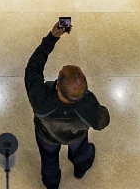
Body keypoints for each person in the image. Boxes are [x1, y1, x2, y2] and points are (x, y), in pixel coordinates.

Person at [25, 20, 110, 189]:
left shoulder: (40, 97)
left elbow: (33, 67)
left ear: (56, 85)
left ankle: (51, 183)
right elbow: (102, 122)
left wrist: (52, 38)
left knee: (49, 159)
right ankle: (81, 168)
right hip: (76, 136)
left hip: (47, 136)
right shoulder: (89, 105)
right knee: (82, 152)